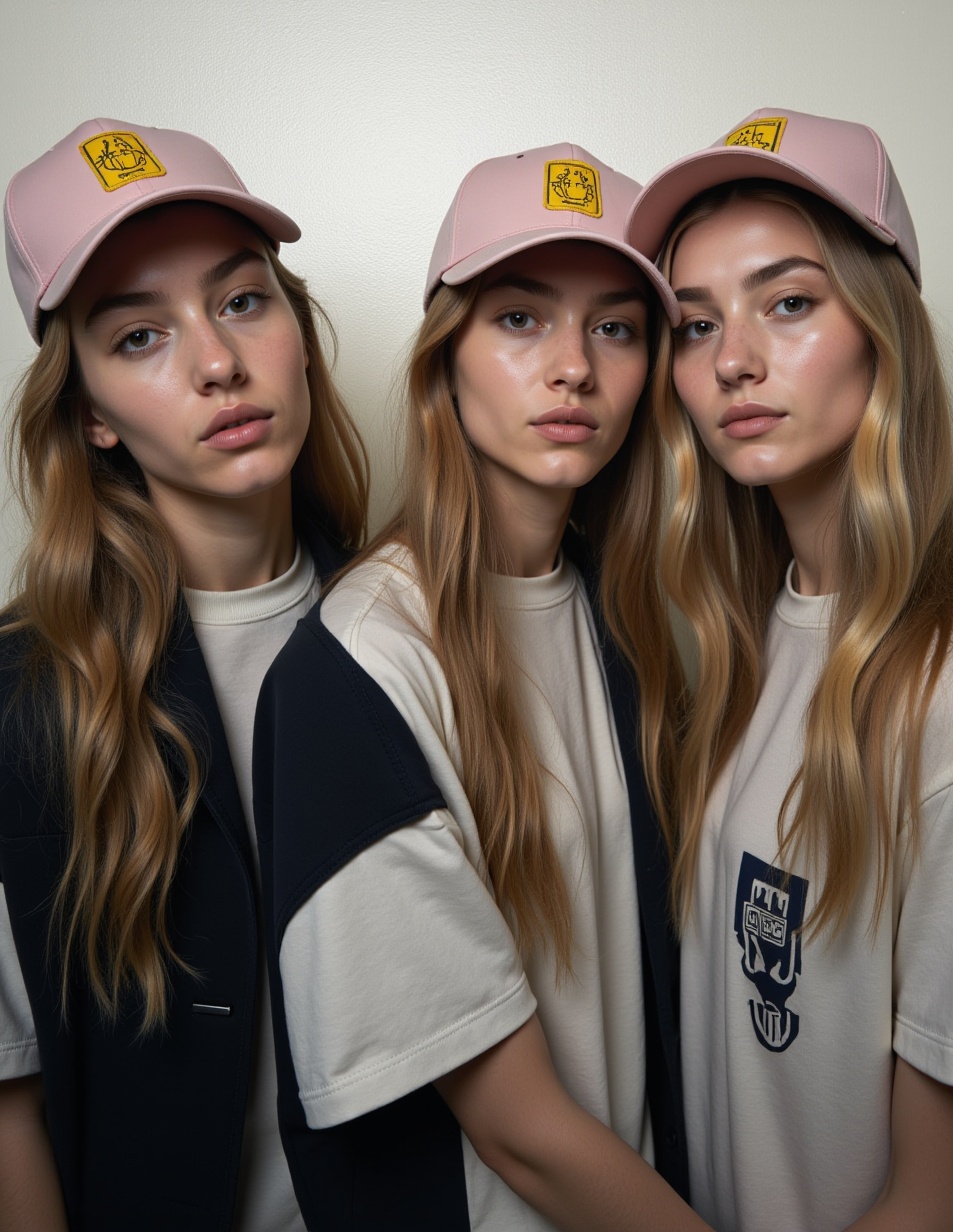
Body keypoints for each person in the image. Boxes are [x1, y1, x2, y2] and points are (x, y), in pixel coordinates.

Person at [254, 144, 709, 1230]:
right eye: (518, 318)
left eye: (615, 325)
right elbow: (514, 1126)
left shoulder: (627, 622)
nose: (573, 368)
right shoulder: (354, 667)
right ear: (443, 359)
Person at [625, 107, 953, 1231]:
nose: (732, 360)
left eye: (787, 301)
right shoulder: (748, 642)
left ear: (883, 329)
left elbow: (945, 1203)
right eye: (694, 325)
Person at [0, 118, 367, 1231]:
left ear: (297, 329)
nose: (218, 363)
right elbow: (8, 1096)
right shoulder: (23, 700)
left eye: (242, 300)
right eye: (139, 336)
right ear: (90, 416)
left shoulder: (413, 634)